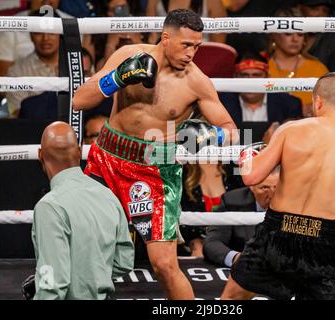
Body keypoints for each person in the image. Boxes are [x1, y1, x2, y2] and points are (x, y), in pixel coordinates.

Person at [72, 9, 238, 300]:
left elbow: (230, 129)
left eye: (197, 46)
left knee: (163, 264)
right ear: (165, 38)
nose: (192, 54)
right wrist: (118, 77)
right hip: (107, 158)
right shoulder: (129, 55)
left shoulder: (196, 82)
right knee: (82, 243)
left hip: (154, 170)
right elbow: (79, 101)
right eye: (186, 45)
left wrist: (205, 135)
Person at [221, 72, 335, 300]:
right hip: (329, 241)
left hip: (278, 233)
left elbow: (251, 176)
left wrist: (247, 154)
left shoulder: (290, 130)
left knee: (232, 298)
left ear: (317, 102)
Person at [31, 122, 134, 299]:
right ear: (80, 151)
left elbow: (52, 285)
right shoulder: (107, 196)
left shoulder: (50, 207)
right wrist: (91, 278)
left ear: (40, 155)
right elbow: (124, 261)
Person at [203, 167, 280, 267]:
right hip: (245, 271)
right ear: (252, 187)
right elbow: (212, 243)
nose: (271, 195)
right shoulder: (232, 201)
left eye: (277, 187)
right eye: (265, 188)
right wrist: (237, 258)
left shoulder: (295, 202)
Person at [268, 7, 329, 117]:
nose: (295, 39)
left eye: (300, 34)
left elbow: (330, 107)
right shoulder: (260, 66)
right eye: (288, 34)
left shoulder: (318, 68)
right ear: (274, 34)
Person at [219, 51, 302, 127]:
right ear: (235, 77)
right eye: (244, 75)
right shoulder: (221, 104)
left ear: (267, 78)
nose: (250, 82)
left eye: (256, 75)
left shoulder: (289, 104)